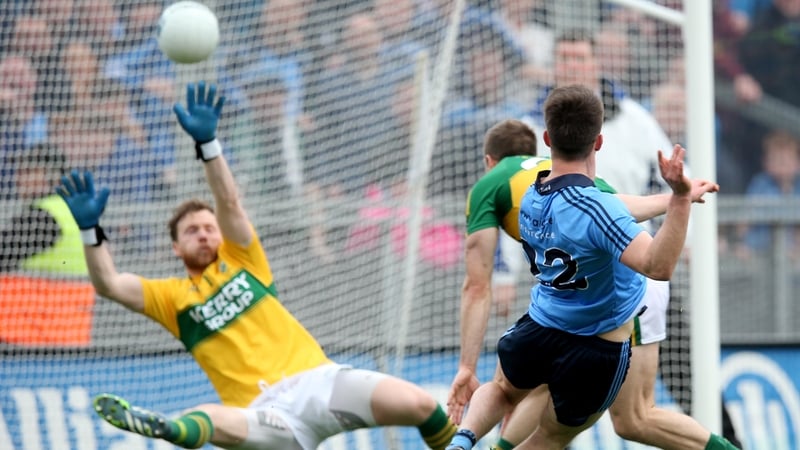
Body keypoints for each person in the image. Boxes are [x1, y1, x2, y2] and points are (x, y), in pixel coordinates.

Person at [56, 82, 457, 450]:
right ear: (176, 248)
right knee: (208, 417)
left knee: (419, 404)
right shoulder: (170, 298)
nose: (203, 234)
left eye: (208, 227)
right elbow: (108, 283)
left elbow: (228, 202)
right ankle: (166, 429)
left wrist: (209, 145)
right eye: (191, 230)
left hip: (318, 382)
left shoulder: (243, 258)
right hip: (264, 415)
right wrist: (90, 231)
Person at [444, 84, 726, 450]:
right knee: (556, 433)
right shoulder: (597, 207)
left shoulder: (531, 197)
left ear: (546, 139)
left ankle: (463, 439)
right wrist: (679, 200)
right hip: (596, 346)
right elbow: (657, 265)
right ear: (598, 142)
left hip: (540, 327)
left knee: (501, 388)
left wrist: (673, 197)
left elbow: (602, 211)